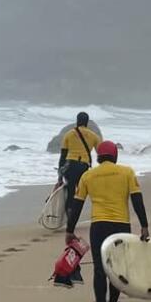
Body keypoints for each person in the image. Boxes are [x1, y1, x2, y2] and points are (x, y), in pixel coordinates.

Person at [65, 140, 150, 302]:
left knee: (99, 268)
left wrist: (69, 230)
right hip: (120, 226)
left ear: (98, 157)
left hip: (99, 226)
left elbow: (77, 206)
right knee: (117, 267)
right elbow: (137, 200)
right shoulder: (127, 172)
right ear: (115, 156)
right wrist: (144, 225)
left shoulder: (88, 175)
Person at [57, 112, 102, 282]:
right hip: (83, 166)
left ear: (76, 121)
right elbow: (101, 155)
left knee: (70, 192)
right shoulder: (93, 135)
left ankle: (70, 217)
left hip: (70, 166)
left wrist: (59, 176)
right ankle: (82, 214)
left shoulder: (69, 134)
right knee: (81, 194)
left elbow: (62, 156)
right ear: (87, 123)